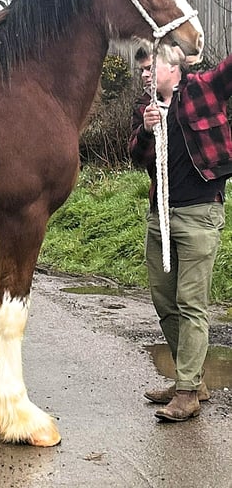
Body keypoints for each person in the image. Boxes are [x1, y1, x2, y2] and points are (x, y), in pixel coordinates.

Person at [129, 44, 232, 422]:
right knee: (165, 303)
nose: (144, 74)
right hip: (159, 216)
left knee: (191, 303)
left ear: (174, 67)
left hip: (199, 213)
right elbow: (136, 157)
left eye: (150, 66)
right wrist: (145, 130)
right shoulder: (146, 109)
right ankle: (192, 380)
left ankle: (186, 392)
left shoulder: (203, 89)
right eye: (141, 69)